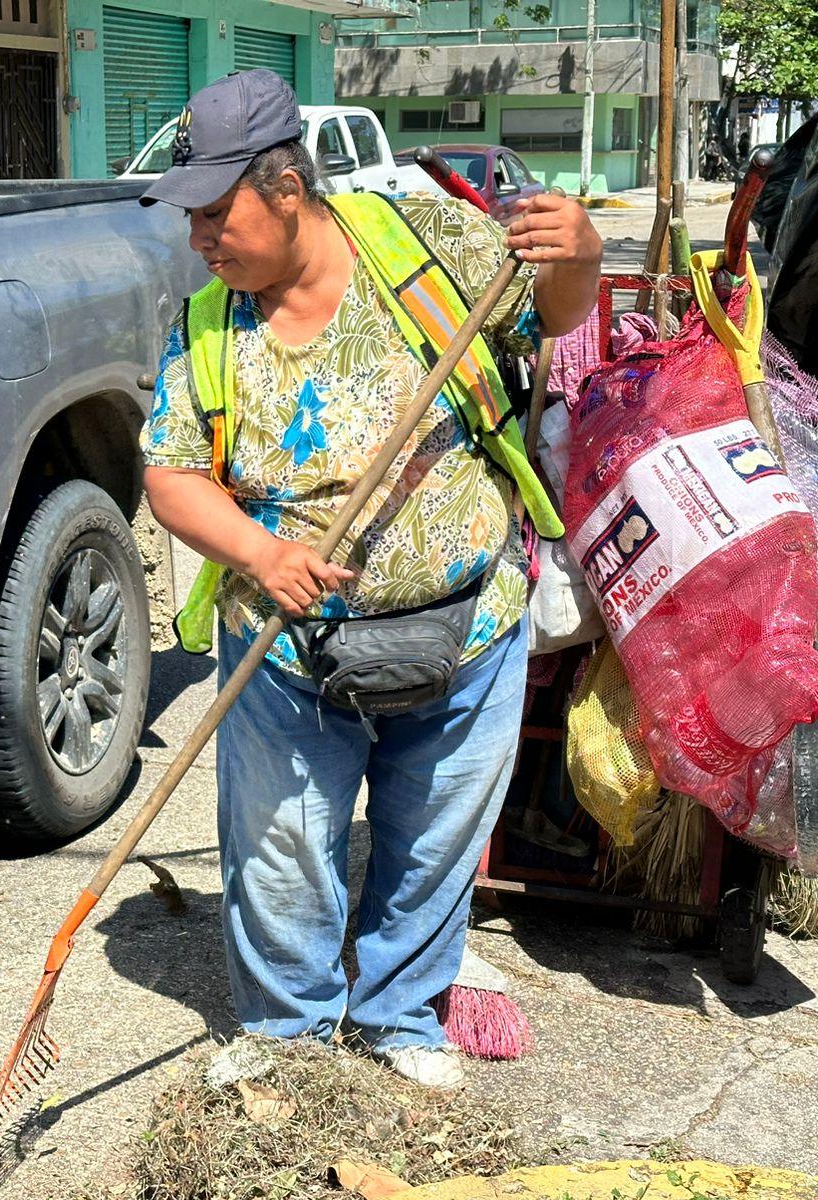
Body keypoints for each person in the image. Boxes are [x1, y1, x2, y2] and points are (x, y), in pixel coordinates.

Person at [138, 70, 600, 1087]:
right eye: (191, 218)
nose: (200, 238)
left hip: (466, 625)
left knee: (432, 839)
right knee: (283, 848)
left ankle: (402, 1017)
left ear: (287, 190)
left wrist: (580, 259)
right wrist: (261, 554)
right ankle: (286, 1033)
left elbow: (550, 318)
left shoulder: (427, 247)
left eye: (216, 213)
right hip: (287, 646)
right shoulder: (210, 325)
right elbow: (171, 474)